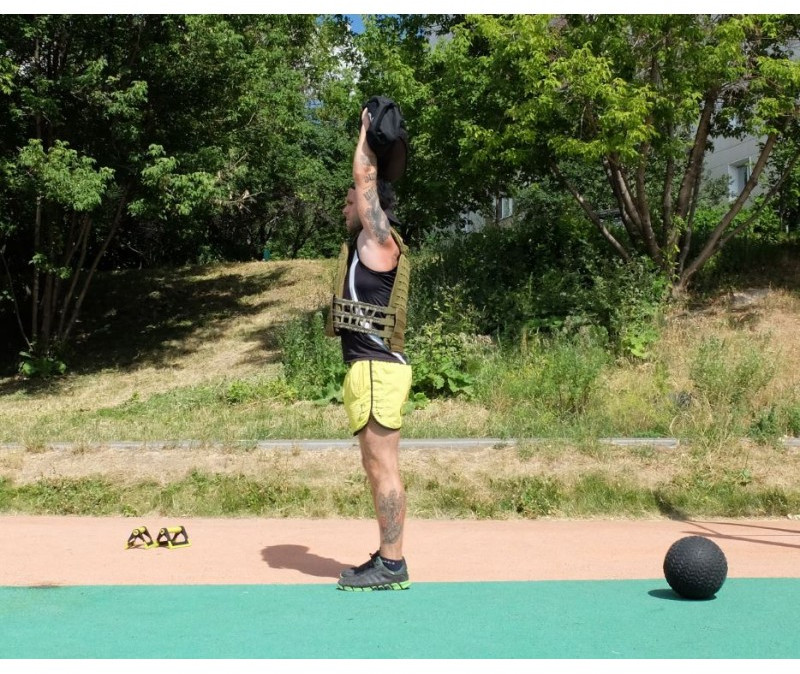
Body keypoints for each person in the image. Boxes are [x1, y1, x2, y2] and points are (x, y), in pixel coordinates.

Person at [325, 103, 413, 591]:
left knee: (383, 467)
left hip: (379, 369)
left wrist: (365, 132)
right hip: (370, 369)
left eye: (349, 202)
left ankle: (393, 565)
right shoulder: (364, 247)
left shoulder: (379, 244)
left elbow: (364, 181)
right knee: (375, 466)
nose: (345, 209)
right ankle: (387, 556)